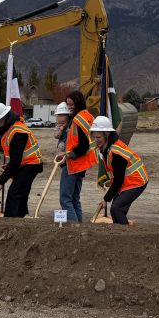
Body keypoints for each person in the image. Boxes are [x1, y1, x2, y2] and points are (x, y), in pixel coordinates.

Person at [0, 102, 44, 217]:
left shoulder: (18, 132)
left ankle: (11, 222)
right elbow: (15, 158)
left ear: (5, 117)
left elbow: (15, 161)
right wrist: (9, 167)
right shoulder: (11, 128)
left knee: (14, 193)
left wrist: (1, 180)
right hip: (25, 164)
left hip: (31, 164)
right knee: (21, 193)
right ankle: (22, 218)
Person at [91, 116, 148, 225]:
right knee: (114, 210)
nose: (96, 140)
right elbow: (119, 173)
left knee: (117, 209)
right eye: (94, 137)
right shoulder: (107, 147)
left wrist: (105, 199)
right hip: (129, 180)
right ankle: (120, 232)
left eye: (98, 137)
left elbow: (119, 179)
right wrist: (111, 181)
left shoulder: (116, 152)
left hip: (137, 181)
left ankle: (125, 233)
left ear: (106, 135)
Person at [57, 92, 95, 222]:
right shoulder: (88, 116)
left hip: (74, 164)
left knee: (65, 199)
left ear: (78, 103)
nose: (69, 107)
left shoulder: (79, 119)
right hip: (82, 164)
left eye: (71, 104)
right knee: (74, 198)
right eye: (67, 104)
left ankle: (74, 228)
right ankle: (80, 227)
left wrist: (68, 155)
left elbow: (84, 145)